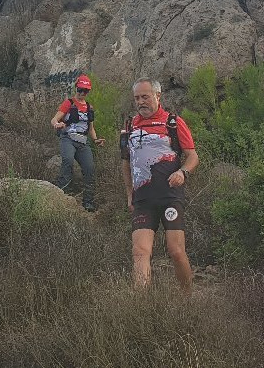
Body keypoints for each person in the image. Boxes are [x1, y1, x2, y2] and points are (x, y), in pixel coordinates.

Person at [120, 77, 198, 294]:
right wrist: (129, 194)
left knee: (176, 251)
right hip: (143, 199)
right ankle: (142, 305)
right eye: (137, 98)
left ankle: (187, 298)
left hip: (169, 197)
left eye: (145, 96)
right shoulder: (129, 126)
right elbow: (125, 163)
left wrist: (183, 172)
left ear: (158, 96)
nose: (141, 102)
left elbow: (192, 157)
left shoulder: (173, 122)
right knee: (140, 252)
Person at [51, 74, 105, 212]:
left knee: (89, 168)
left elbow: (91, 128)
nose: (82, 93)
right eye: (80, 90)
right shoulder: (69, 103)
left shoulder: (89, 107)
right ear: (76, 88)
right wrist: (57, 124)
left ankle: (88, 202)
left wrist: (96, 140)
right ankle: (62, 193)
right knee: (68, 160)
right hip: (68, 138)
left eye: (85, 91)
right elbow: (54, 119)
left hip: (82, 141)